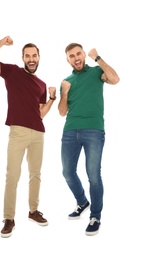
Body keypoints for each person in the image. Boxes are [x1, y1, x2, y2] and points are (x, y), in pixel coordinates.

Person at [0, 36, 56, 238]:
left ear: (39, 57)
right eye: (27, 55)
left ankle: (33, 211)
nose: (31, 58)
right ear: (23, 58)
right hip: (18, 132)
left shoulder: (41, 83)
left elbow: (40, 113)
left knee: (36, 174)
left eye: (34, 55)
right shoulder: (13, 72)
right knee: (12, 176)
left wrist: (51, 98)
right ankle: (9, 218)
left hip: (38, 133)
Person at [58, 43, 120, 236]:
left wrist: (98, 58)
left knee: (93, 175)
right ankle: (82, 202)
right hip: (70, 131)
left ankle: (95, 216)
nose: (76, 58)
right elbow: (61, 112)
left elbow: (115, 79)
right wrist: (65, 92)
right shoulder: (66, 81)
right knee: (67, 172)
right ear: (67, 59)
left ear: (84, 55)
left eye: (78, 54)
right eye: (71, 56)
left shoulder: (96, 72)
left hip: (93, 130)